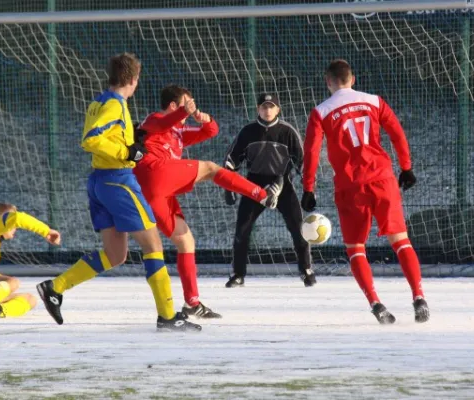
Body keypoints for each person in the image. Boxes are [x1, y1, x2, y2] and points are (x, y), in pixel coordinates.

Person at [36, 54, 200, 332]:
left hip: (100, 182)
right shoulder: (115, 104)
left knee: (115, 255)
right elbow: (90, 138)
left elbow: (105, 134)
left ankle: (55, 287)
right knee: (154, 246)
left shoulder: (100, 101)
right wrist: (126, 151)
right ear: (134, 80)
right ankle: (167, 316)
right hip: (118, 180)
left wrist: (129, 140)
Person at [134, 84, 283, 318]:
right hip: (154, 173)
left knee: (186, 242)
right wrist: (183, 113)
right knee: (212, 169)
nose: (190, 108)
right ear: (173, 106)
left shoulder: (179, 133)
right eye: (186, 103)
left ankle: (192, 303)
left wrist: (204, 118)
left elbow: (211, 131)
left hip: (158, 193)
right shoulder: (155, 119)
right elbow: (162, 123)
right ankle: (262, 194)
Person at [302, 59, 429, 324]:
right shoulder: (374, 101)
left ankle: (376, 304)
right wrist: (406, 167)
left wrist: (308, 187)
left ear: (328, 82)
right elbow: (397, 133)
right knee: (400, 240)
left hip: (350, 185)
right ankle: (419, 297)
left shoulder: (321, 111)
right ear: (353, 79)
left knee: (355, 247)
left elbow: (312, 152)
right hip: (382, 178)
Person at [222, 93, 315, 288]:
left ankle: (306, 270)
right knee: (242, 230)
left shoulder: (287, 132)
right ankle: (238, 274)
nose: (267, 110)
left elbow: (303, 163)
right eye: (264, 107)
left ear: (278, 110)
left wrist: (306, 189)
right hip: (253, 184)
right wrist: (228, 186)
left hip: (282, 184)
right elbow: (231, 161)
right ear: (258, 109)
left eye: (271, 107)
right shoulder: (247, 132)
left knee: (298, 229)